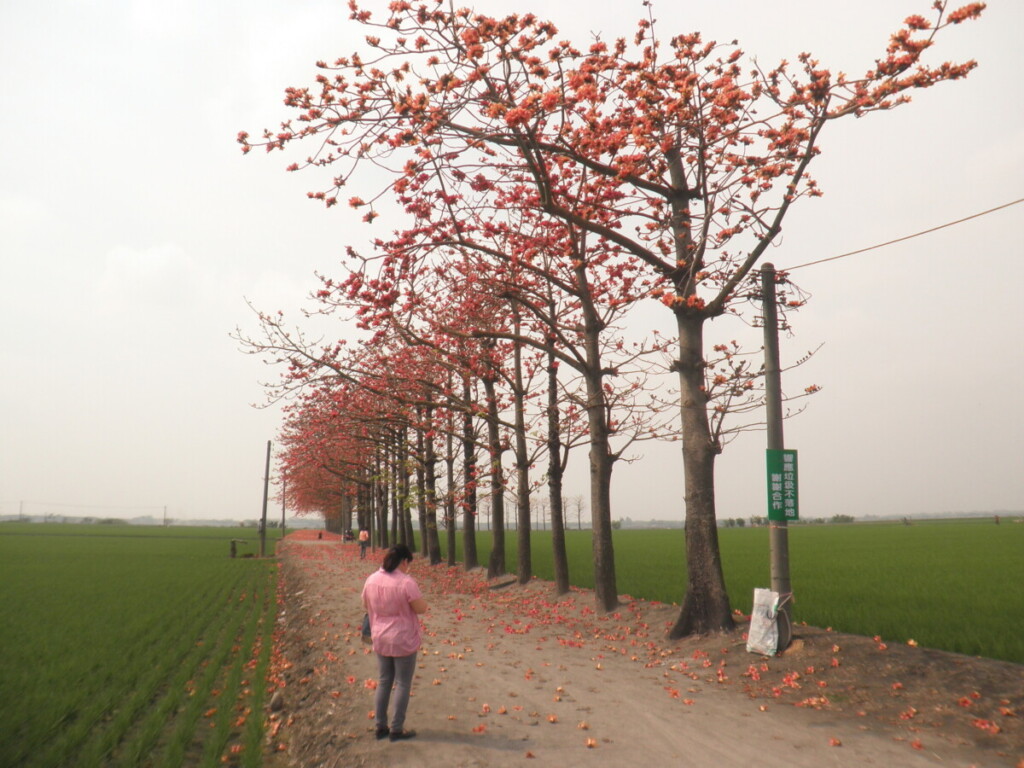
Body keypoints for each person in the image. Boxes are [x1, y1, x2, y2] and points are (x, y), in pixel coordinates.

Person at [361, 544, 427, 742]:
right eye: (408, 564)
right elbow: (421, 608)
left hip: (380, 635)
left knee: (383, 681)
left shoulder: (371, 579)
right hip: (403, 638)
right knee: (402, 683)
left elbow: (365, 604)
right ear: (404, 561)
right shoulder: (406, 582)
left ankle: (380, 726)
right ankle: (396, 729)